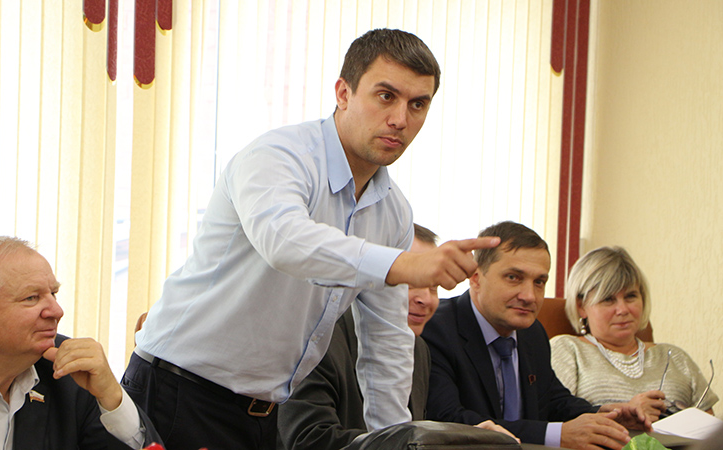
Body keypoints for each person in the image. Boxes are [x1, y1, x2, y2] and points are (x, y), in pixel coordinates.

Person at [122, 28, 500, 450]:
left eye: (418, 104)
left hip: (267, 414)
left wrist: (394, 439)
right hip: (179, 391)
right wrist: (404, 265)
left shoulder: (394, 211)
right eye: (386, 96)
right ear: (343, 93)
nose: (400, 119)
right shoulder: (278, 156)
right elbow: (287, 241)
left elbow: (387, 341)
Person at [277, 225, 516, 450]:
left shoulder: (419, 348)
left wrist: (465, 437)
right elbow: (308, 439)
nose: (426, 299)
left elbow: (407, 430)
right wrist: (416, 441)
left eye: (433, 287)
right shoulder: (320, 337)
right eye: (410, 282)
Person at [422, 221, 653, 449]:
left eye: (539, 282)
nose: (530, 296)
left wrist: (605, 416)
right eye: (513, 277)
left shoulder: (532, 332)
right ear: (475, 278)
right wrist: (557, 435)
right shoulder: (436, 329)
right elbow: (449, 421)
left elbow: (553, 401)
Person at [0, 236, 161, 450]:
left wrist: (111, 396)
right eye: (32, 297)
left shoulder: (67, 370)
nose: (57, 311)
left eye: (53, 294)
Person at [551, 246, 718, 418]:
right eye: (608, 299)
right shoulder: (567, 349)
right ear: (581, 306)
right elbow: (555, 418)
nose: (623, 309)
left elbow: (709, 426)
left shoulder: (675, 356)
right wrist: (625, 413)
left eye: (630, 296)